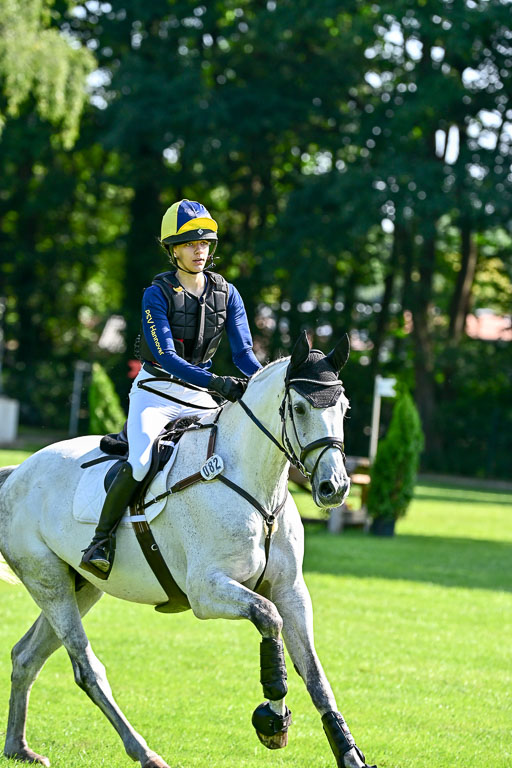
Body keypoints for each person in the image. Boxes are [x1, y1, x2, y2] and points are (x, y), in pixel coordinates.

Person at [80, 199, 262, 578]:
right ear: (173, 249)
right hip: (156, 393)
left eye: (205, 243)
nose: (200, 250)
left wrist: (265, 383)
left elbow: (244, 354)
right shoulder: (156, 294)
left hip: (198, 398)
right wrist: (218, 383)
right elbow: (167, 359)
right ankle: (100, 540)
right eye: (191, 243)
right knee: (142, 460)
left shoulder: (227, 293)